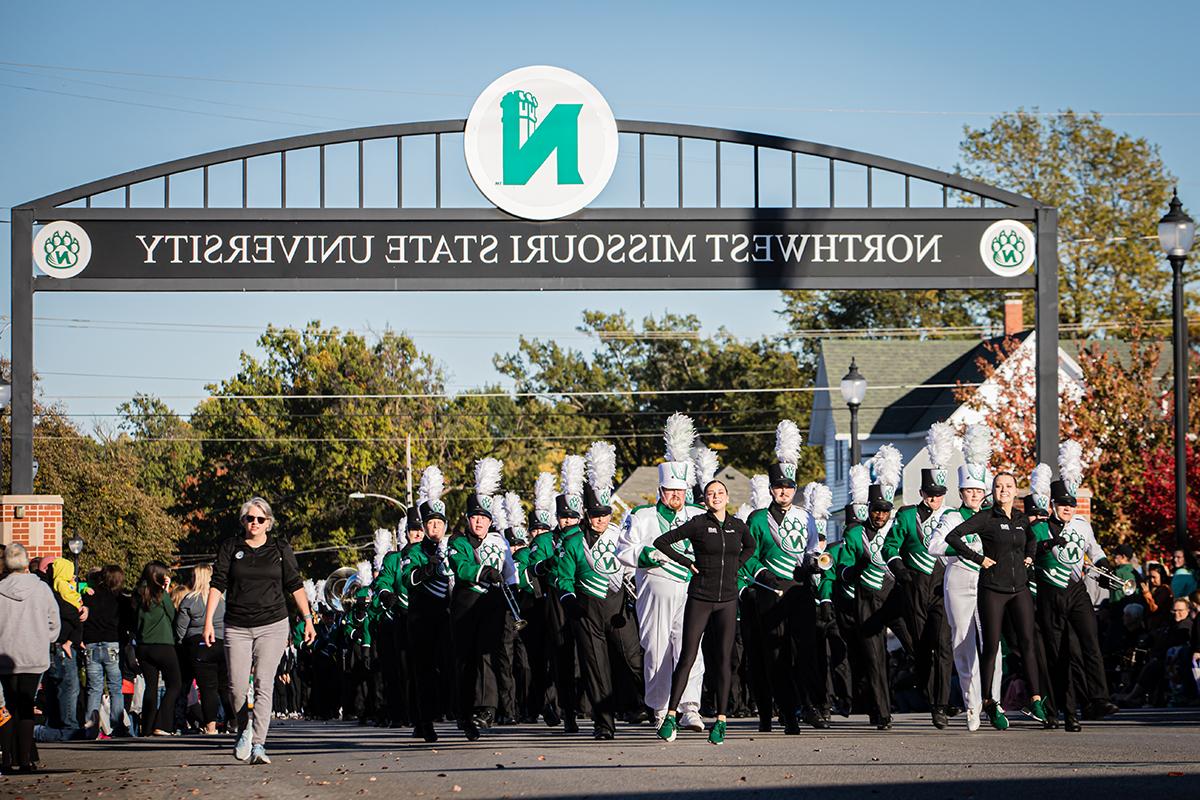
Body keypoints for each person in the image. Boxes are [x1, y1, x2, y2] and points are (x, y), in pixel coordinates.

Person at [206, 497, 316, 765]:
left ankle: (258, 744)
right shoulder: (231, 547)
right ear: (243, 521)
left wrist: (308, 618)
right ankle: (243, 728)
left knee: (265, 685)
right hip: (237, 625)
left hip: (273, 625)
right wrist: (209, 621)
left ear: (268, 522)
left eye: (259, 519)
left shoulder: (280, 548)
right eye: (249, 518)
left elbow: (294, 584)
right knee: (237, 688)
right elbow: (217, 583)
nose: (254, 523)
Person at [615, 412, 706, 731]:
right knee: (655, 649)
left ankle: (690, 706)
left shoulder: (698, 514)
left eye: (680, 492)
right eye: (670, 492)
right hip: (654, 589)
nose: (676, 497)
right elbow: (622, 551)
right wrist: (647, 554)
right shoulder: (641, 515)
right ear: (660, 490)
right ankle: (659, 707)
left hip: (691, 590)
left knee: (690, 648)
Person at [654, 479, 756, 745]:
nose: (716, 497)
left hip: (728, 599)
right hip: (700, 597)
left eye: (720, 492)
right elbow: (662, 541)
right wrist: (687, 562)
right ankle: (671, 716)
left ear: (727, 496)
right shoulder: (698, 523)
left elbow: (751, 547)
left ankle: (720, 722)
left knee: (724, 660)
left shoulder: (738, 525)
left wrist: (737, 566)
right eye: (711, 494)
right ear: (705, 499)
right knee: (687, 656)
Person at [945, 472, 1050, 730]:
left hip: (1019, 589)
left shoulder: (1020, 519)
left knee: (1028, 642)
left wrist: (1029, 556)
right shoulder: (986, 517)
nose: (1004, 490)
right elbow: (953, 537)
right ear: (993, 491)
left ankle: (1036, 699)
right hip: (992, 588)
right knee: (991, 647)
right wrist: (977, 558)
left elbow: (1032, 539)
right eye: (999, 486)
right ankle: (990, 703)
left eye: (1008, 486)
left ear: (1016, 491)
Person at [555, 442, 645, 740]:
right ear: (587, 514)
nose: (601, 519)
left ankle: (647, 705)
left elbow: (633, 566)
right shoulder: (572, 542)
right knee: (596, 668)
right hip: (586, 609)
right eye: (595, 513)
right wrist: (568, 599)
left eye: (605, 513)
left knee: (633, 659)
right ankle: (604, 725)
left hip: (618, 606)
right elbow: (564, 578)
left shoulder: (621, 536)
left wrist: (633, 585)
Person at [1029, 441, 1119, 731]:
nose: (1068, 508)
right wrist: (1048, 544)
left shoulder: (1082, 524)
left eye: (1071, 503)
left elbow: (1095, 549)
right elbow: (1031, 553)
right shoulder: (1039, 527)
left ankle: (1098, 698)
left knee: (1090, 643)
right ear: (1053, 505)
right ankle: (1063, 712)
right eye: (1062, 504)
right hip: (1049, 595)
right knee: (1059, 656)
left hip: (1077, 591)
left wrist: (1104, 563)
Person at [740, 419, 818, 734]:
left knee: (804, 651)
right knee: (774, 654)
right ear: (771, 489)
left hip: (800, 591)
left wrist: (814, 564)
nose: (783, 491)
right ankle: (783, 713)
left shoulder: (805, 517)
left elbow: (812, 550)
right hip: (768, 592)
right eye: (778, 487)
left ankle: (807, 705)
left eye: (788, 487)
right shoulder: (757, 519)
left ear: (794, 489)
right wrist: (763, 575)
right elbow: (749, 555)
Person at [926, 424, 1001, 732]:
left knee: (993, 643)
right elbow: (933, 546)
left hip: (988, 582)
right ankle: (972, 704)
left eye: (978, 491)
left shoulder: (994, 517)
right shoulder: (952, 517)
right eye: (969, 490)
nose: (974, 495)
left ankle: (993, 702)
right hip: (958, 578)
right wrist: (963, 550)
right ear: (961, 493)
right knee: (962, 643)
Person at [883, 423, 955, 729]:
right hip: (914, 586)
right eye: (930, 493)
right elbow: (890, 545)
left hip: (941, 586)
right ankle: (931, 694)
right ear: (922, 492)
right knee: (922, 648)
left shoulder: (951, 516)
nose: (935, 498)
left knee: (943, 644)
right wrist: (901, 570)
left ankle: (941, 703)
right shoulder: (906, 514)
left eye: (939, 494)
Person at [833, 449, 909, 731]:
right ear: (869, 510)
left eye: (885, 511)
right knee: (876, 659)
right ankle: (882, 713)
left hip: (894, 594)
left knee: (916, 644)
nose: (880, 515)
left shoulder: (896, 528)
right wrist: (856, 569)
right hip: (865, 599)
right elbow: (842, 571)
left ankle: (938, 701)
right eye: (876, 510)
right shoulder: (854, 533)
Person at [447, 457, 516, 741]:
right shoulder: (457, 542)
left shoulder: (500, 542)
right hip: (465, 605)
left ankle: (486, 708)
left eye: (484, 518)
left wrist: (513, 593)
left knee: (487, 654)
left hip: (493, 605)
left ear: (490, 521)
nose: (479, 522)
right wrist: (483, 571)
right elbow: (461, 568)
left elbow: (511, 572)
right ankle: (465, 712)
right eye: (475, 517)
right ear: (467, 519)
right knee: (466, 661)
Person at [401, 466, 454, 743]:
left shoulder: (451, 548)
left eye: (439, 523)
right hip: (420, 618)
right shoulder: (413, 551)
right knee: (422, 671)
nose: (435, 528)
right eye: (430, 524)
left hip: (445, 616)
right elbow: (410, 578)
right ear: (423, 527)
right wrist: (429, 569)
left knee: (445, 668)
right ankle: (424, 722)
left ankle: (449, 713)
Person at [0, 543, 60, 774]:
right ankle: (25, 759)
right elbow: (54, 623)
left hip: (5, 656)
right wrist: (45, 638)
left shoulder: (1, 589)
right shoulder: (41, 589)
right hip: (33, 655)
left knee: (6, 707)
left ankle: (7, 759)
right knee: (26, 707)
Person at [175, 564, 233, 734]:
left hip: (198, 645)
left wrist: (181, 644)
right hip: (222, 643)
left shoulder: (189, 599)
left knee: (208, 688)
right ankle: (234, 720)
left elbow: (181, 628)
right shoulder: (223, 598)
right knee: (225, 686)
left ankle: (211, 726)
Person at [134, 561, 181, 737]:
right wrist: (166, 591)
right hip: (163, 644)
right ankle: (162, 723)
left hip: (143, 646)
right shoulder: (161, 594)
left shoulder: (138, 594)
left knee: (150, 687)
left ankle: (145, 728)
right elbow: (172, 614)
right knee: (174, 684)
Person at [82, 565, 129, 737]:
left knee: (94, 688)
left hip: (91, 643)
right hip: (112, 642)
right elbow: (127, 622)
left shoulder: (89, 596)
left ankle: (90, 728)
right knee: (115, 688)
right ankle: (117, 727)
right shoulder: (120, 599)